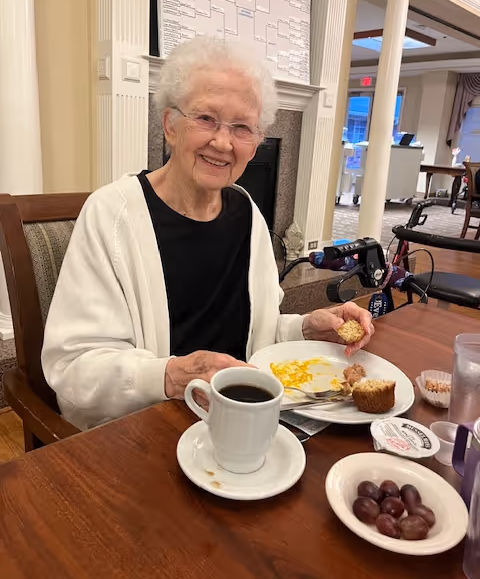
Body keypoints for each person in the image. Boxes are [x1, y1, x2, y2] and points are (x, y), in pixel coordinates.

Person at [42, 36, 374, 430]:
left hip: (240, 415)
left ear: (255, 144)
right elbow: (72, 365)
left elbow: (253, 336)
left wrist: (304, 327)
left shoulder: (247, 212)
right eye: (206, 119)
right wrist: (169, 375)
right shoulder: (111, 215)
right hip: (146, 429)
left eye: (241, 128)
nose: (222, 142)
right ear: (170, 125)